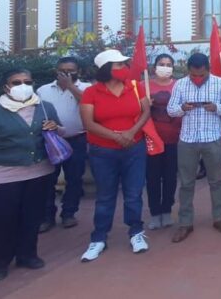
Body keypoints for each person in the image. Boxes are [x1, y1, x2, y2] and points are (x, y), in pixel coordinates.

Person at [0, 69, 61, 281]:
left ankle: (27, 255)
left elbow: (61, 132)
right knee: (3, 220)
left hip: (40, 173)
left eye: (27, 81)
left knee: (32, 217)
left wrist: (56, 127)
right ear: (6, 87)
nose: (23, 85)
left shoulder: (45, 107)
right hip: (5, 176)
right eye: (16, 82)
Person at [79, 49, 151, 262]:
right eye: (118, 65)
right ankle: (99, 237)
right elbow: (88, 123)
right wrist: (114, 136)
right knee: (105, 196)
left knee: (134, 193)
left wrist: (130, 132)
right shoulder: (91, 92)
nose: (124, 68)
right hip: (103, 152)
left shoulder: (136, 87)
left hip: (134, 149)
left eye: (124, 64)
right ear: (106, 69)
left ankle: (136, 232)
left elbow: (146, 111)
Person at [167, 53, 221, 242]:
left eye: (201, 75)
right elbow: (170, 110)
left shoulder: (220, 83)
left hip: (212, 138)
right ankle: (185, 223)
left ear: (208, 70)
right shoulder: (180, 84)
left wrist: (216, 108)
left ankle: (219, 218)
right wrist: (183, 108)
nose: (198, 78)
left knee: (216, 181)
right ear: (188, 70)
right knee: (187, 183)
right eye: (194, 75)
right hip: (187, 140)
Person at [36, 56, 91, 232]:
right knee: (48, 179)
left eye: (71, 71)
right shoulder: (44, 90)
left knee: (74, 178)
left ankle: (68, 213)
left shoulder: (87, 88)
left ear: (79, 72)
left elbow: (88, 104)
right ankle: (46, 215)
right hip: (51, 140)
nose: (66, 74)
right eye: (63, 71)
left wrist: (70, 87)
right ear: (56, 72)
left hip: (77, 139)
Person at [146, 54, 182, 230]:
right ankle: (154, 213)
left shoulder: (179, 86)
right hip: (151, 140)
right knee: (152, 178)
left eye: (168, 64)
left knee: (170, 177)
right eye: (162, 64)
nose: (165, 67)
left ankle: (167, 211)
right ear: (154, 67)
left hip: (174, 140)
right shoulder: (144, 86)